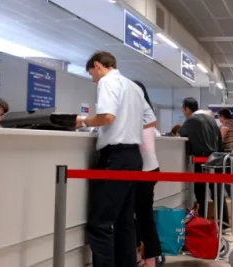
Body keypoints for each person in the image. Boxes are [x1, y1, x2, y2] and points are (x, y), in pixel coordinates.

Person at [76, 51, 155, 267]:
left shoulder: (108, 82)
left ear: (98, 65)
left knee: (100, 224)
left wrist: (83, 121)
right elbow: (150, 120)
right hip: (133, 157)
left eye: (92, 74)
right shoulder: (134, 86)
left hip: (116, 158)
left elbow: (107, 116)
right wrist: (128, 126)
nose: (93, 80)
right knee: (124, 221)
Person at [178, 97, 229, 228]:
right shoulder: (211, 119)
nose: (184, 113)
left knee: (201, 192)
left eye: (183, 110)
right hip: (216, 159)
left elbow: (180, 134)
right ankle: (224, 223)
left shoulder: (191, 120)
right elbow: (219, 140)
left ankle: (203, 221)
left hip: (200, 161)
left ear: (187, 109)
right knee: (217, 191)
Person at [133, 81, 161, 267]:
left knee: (136, 215)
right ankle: (150, 257)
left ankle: (146, 257)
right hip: (150, 168)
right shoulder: (147, 112)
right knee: (144, 215)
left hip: (142, 169)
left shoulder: (136, 113)